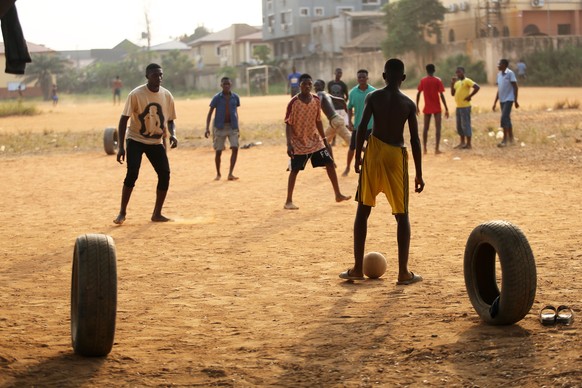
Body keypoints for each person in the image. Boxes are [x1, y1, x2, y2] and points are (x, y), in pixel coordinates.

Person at [339, 58, 424, 284]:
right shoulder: (407, 104)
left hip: (374, 152)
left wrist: (358, 157)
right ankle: (404, 273)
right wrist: (419, 173)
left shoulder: (373, 97)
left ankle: (358, 268)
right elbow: (415, 141)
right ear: (403, 78)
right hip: (396, 155)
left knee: (363, 210)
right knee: (402, 214)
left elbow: (360, 128)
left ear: (384, 77)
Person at [113, 63, 178, 225]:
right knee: (132, 173)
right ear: (147, 76)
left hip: (155, 142)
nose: (159, 78)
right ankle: (122, 212)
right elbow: (123, 120)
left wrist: (173, 134)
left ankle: (157, 213)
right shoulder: (136, 94)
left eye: (161, 74)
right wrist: (121, 146)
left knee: (165, 174)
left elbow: (170, 120)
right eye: (155, 75)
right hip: (135, 139)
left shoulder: (167, 95)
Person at [283, 73, 351, 210]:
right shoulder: (293, 103)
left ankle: (338, 194)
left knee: (329, 163)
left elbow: (318, 121)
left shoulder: (316, 100)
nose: (307, 86)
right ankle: (288, 201)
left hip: (315, 140)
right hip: (298, 142)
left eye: (309, 84)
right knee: (295, 170)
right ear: (300, 85)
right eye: (304, 84)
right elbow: (288, 123)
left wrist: (324, 139)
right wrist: (289, 144)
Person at [205, 77, 241, 181]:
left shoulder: (235, 97)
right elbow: (210, 113)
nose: (226, 86)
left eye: (228, 84)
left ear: (231, 85)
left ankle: (230, 173)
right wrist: (207, 128)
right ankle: (218, 173)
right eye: (224, 84)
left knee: (235, 148)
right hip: (220, 127)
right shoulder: (217, 98)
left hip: (232, 126)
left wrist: (237, 127)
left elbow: (235, 112)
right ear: (221, 85)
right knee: (218, 151)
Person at [344, 69, 375, 176]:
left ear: (367, 78)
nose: (361, 79)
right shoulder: (353, 92)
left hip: (371, 126)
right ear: (357, 79)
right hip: (358, 126)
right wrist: (350, 122)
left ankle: (372, 167)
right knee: (352, 147)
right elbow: (349, 108)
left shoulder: (373, 91)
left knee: (374, 148)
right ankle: (348, 167)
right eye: (359, 77)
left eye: (363, 77)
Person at [313, 79, 351, 159]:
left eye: (318, 85)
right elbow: (342, 100)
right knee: (324, 142)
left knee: (352, 143)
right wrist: (347, 111)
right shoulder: (327, 94)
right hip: (334, 121)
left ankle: (368, 153)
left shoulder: (319, 93)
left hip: (336, 121)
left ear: (323, 86)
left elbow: (319, 102)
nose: (316, 87)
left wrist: (314, 113)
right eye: (315, 85)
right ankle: (331, 162)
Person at [416, 64, 449, 154]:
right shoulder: (438, 80)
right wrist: (446, 108)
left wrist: (417, 106)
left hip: (427, 108)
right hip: (437, 108)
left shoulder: (423, 81)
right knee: (438, 128)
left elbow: (418, 93)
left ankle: (425, 149)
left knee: (425, 128)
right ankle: (436, 149)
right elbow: (441, 95)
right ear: (434, 70)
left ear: (426, 70)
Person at [450, 66, 480, 149]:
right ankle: (462, 142)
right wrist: (452, 84)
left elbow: (477, 87)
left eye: (459, 72)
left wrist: (470, 96)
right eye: (456, 72)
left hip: (465, 107)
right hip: (458, 106)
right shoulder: (457, 83)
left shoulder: (467, 81)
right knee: (459, 126)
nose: (457, 74)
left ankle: (469, 144)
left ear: (463, 72)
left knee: (466, 124)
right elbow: (452, 94)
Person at [492, 59, 519, 147]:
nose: (498, 66)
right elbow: (499, 89)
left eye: (499, 64)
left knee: (504, 118)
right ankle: (511, 138)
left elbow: (515, 87)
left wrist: (515, 100)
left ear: (504, 65)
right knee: (507, 118)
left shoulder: (510, 73)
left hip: (509, 99)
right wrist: (495, 102)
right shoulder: (499, 75)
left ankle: (505, 140)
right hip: (502, 99)